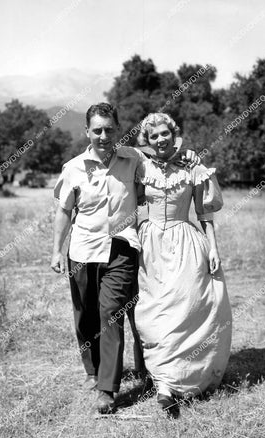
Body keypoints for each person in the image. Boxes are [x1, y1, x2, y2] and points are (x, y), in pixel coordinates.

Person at [51, 103, 200, 414]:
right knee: (86, 316)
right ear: (87, 132)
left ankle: (108, 389)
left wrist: (187, 155)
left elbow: (164, 159)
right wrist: (57, 250)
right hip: (82, 249)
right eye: (97, 130)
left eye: (109, 129)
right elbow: (64, 211)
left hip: (121, 247)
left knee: (111, 313)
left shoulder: (133, 159)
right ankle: (93, 370)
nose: (104, 136)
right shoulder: (73, 168)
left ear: (118, 130)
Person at [134, 112, 232, 416]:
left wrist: (213, 248)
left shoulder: (193, 166)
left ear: (173, 134)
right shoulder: (141, 166)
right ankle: (163, 381)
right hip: (150, 246)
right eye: (154, 136)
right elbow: (132, 200)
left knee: (185, 309)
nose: (160, 139)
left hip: (184, 242)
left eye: (165, 134)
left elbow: (205, 214)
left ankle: (178, 383)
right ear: (146, 140)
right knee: (155, 314)